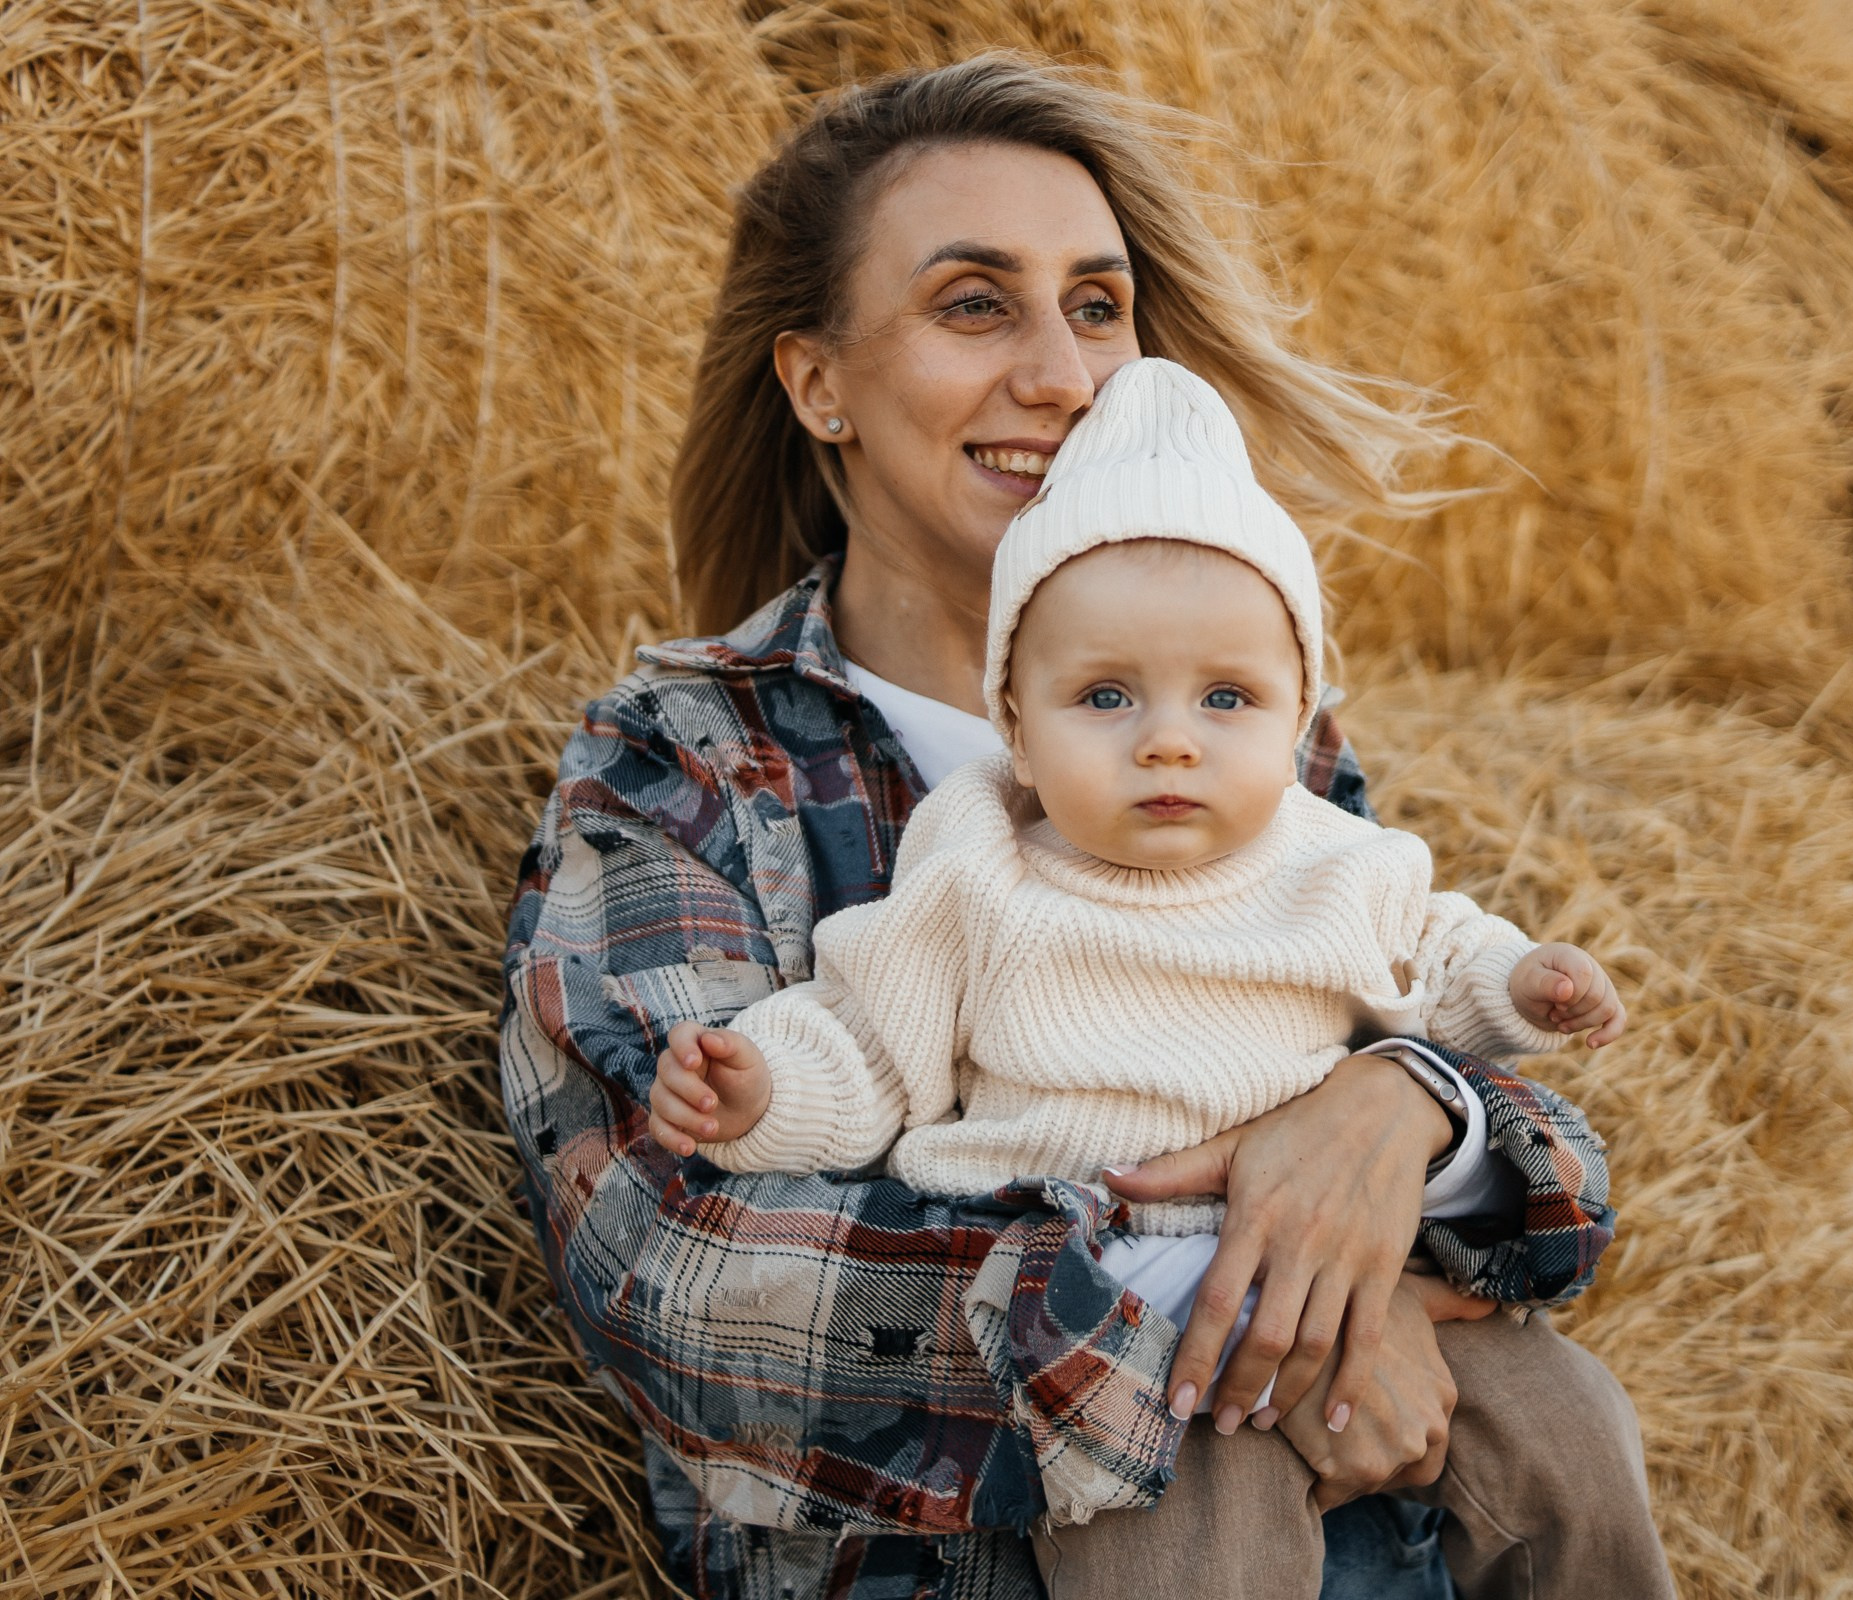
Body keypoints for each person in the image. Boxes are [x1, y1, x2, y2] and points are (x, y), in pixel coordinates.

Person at [496, 54, 1673, 1599]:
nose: (1063, 375)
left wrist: (1408, 1115)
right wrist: (1243, 1311)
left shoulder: (1262, 730)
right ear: (819, 384)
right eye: (974, 304)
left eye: (1098, 306)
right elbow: (673, 1273)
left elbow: (1543, 1165)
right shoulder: (693, 759)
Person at [645, 357, 1666, 1597]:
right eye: (1106, 695)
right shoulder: (979, 868)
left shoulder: (1332, 855)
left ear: (1297, 718)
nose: (1169, 739)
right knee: (1188, 1560)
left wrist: (1525, 982)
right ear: (1018, 726)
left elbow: (1440, 958)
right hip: (1116, 1322)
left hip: (1349, 1270)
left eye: (1227, 696)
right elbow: (869, 1045)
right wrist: (760, 1088)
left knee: (1576, 1435)